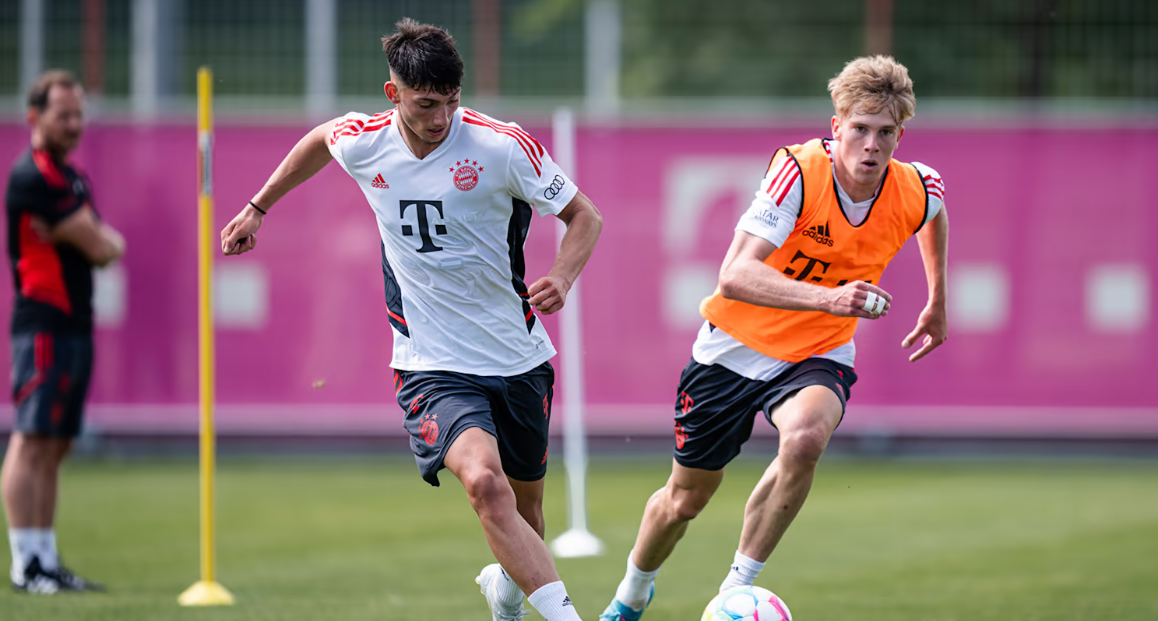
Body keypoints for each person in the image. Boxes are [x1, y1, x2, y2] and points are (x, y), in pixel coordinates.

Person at [220, 18, 602, 621]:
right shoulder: (365, 140)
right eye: (427, 103)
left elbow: (586, 216)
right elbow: (321, 139)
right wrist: (257, 207)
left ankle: (505, 593)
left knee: (528, 516)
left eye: (451, 102)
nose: (441, 118)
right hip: (430, 363)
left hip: (518, 356)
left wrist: (563, 274)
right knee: (482, 481)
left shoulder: (503, 145)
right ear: (393, 93)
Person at [599, 55, 949, 620]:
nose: (871, 145)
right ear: (836, 126)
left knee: (806, 437)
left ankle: (734, 591)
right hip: (731, 348)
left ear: (899, 136)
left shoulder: (916, 185)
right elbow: (734, 274)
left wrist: (937, 299)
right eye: (859, 128)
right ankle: (632, 593)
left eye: (885, 133)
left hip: (819, 351)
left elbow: (934, 214)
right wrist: (829, 297)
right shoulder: (797, 171)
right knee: (684, 500)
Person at [3, 70, 124, 594]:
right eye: (63, 115)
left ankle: (46, 559)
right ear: (35, 117)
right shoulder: (34, 176)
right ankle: (24, 562)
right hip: (43, 324)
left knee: (55, 445)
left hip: (76, 321)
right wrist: (97, 238)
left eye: (78, 114)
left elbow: (103, 242)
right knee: (31, 439)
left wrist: (97, 237)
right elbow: (102, 248)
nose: (74, 124)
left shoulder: (71, 178)